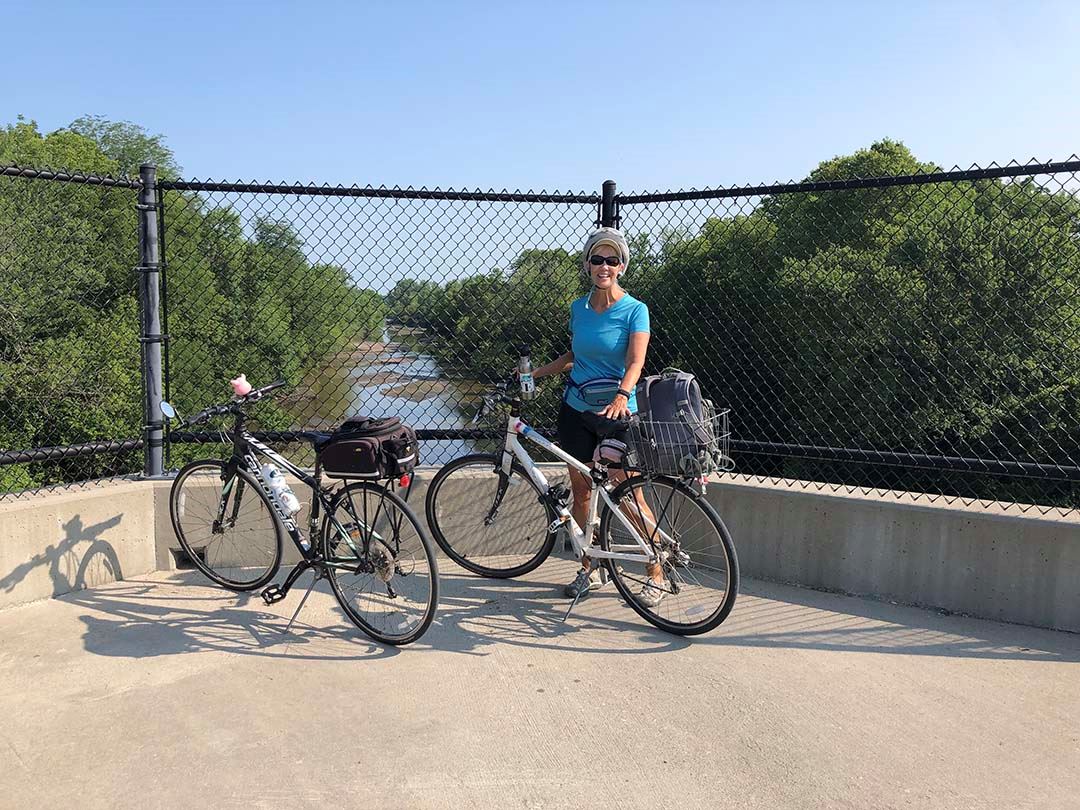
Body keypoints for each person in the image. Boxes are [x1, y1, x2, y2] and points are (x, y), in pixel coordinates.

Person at [529, 227, 666, 608]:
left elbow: (636, 361)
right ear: (587, 264)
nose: (603, 266)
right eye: (597, 259)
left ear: (621, 266)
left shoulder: (635, 310)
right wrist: (534, 374)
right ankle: (589, 567)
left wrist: (623, 395)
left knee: (628, 495)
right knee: (582, 492)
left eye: (612, 260)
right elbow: (574, 358)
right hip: (576, 411)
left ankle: (656, 569)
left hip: (617, 415)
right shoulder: (579, 308)